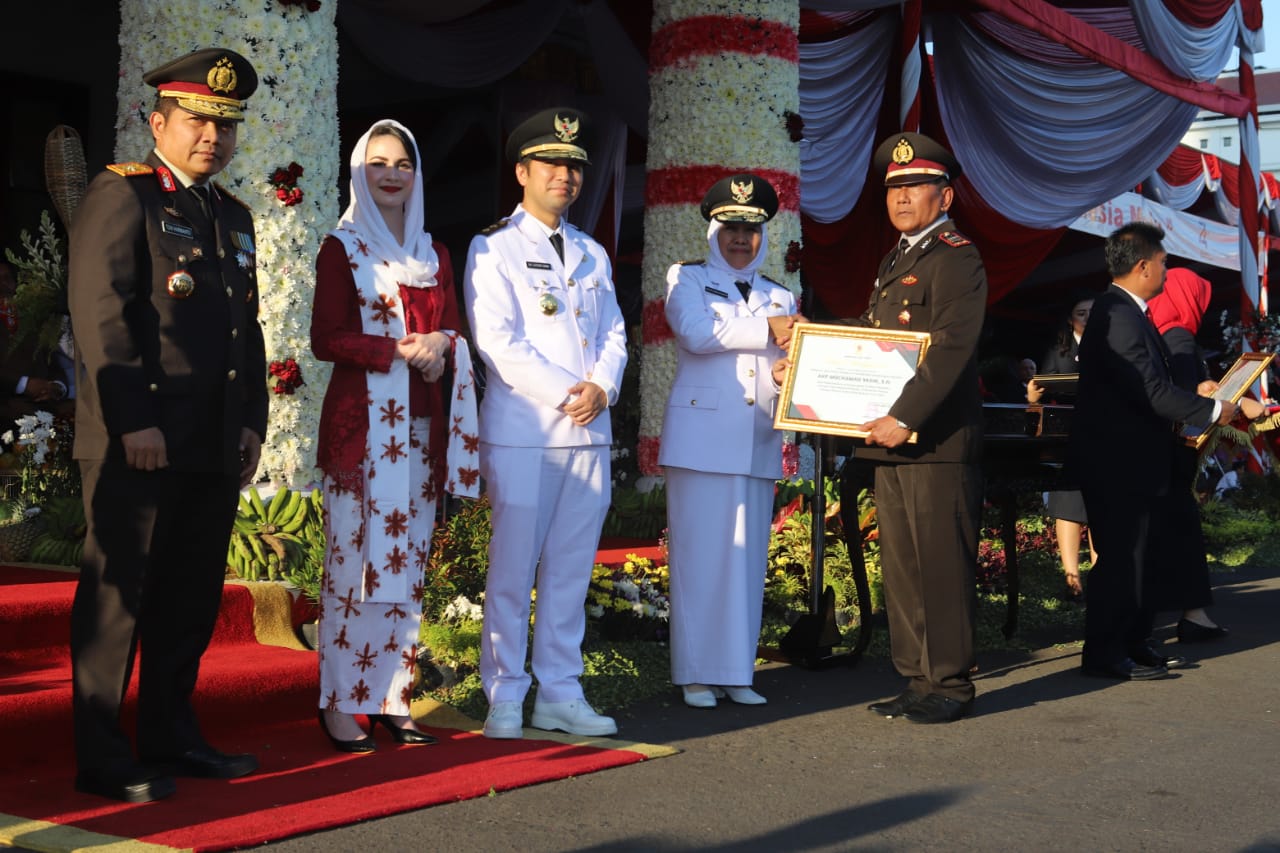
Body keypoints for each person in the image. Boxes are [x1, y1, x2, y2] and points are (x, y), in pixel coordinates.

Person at [67, 48, 266, 803]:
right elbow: (102, 315)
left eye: (225, 125)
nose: (212, 136)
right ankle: (102, 756)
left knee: (188, 598)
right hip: (140, 440)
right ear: (158, 124)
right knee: (120, 598)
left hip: (211, 442)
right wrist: (134, 422)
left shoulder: (231, 216)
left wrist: (250, 422)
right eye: (197, 121)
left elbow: (246, 332)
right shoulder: (124, 195)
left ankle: (171, 735)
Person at [310, 120, 479, 753]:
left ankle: (393, 700)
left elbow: (453, 329)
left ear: (416, 175)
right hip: (362, 435)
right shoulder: (342, 247)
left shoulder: (434, 254)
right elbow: (325, 338)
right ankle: (339, 702)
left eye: (402, 163)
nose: (390, 173)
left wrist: (440, 342)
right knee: (352, 568)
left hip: (420, 431)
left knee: (406, 568)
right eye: (378, 162)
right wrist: (399, 351)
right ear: (360, 172)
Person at [463, 107, 628, 739]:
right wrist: (569, 392)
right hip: (527, 431)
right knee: (513, 569)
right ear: (522, 172)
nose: (565, 175)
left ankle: (560, 690)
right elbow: (497, 342)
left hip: (588, 432)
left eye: (574, 166)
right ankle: (505, 692)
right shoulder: (494, 245)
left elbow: (613, 332)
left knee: (570, 571)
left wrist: (603, 386)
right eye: (551, 164)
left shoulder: (591, 250)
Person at [1068, 223, 1254, 681]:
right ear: (1143, 266)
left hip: (1136, 458)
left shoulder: (1130, 312)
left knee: (1141, 558)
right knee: (1121, 560)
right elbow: (1149, 390)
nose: (1167, 271)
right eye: (1164, 262)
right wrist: (1215, 409)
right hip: (1118, 460)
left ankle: (1135, 643)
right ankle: (1106, 654)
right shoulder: (1118, 313)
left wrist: (1198, 397)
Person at [854, 132, 987, 724]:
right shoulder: (897, 258)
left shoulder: (956, 256)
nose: (903, 197)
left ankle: (951, 684)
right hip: (890, 440)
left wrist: (904, 416)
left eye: (916, 185)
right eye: (894, 188)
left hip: (935, 439)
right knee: (904, 569)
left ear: (945, 196)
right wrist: (804, 352)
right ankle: (916, 678)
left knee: (940, 567)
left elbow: (952, 347)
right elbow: (875, 341)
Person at [658, 174, 803, 709]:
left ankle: (737, 671)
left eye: (751, 230)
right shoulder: (688, 278)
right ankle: (695, 673)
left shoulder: (780, 295)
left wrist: (788, 373)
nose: (741, 239)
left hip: (757, 440)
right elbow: (695, 334)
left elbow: (783, 367)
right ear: (714, 233)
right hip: (701, 441)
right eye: (731, 229)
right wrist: (769, 331)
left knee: (746, 564)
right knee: (699, 559)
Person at [1146, 268, 1232, 643]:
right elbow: (1180, 398)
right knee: (1180, 532)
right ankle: (1192, 616)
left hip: (1156, 450)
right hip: (1173, 450)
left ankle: (1179, 614)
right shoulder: (1179, 336)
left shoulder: (1156, 333)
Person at [1028, 294, 1096, 598]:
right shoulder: (1058, 351)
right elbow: (1041, 389)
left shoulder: (1114, 345)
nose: (1088, 318)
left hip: (1104, 433)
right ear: (1070, 319)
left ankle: (1101, 575)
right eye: (1081, 313)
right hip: (1066, 435)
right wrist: (1034, 395)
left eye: (1093, 312)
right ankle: (1072, 579)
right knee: (1068, 505)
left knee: (1100, 505)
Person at [0, 259, 74, 425]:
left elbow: (52, 361)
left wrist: (57, 386)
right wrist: (24, 384)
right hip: (8, 411)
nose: (2, 285)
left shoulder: (31, 317)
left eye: (7, 278)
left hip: (47, 407)